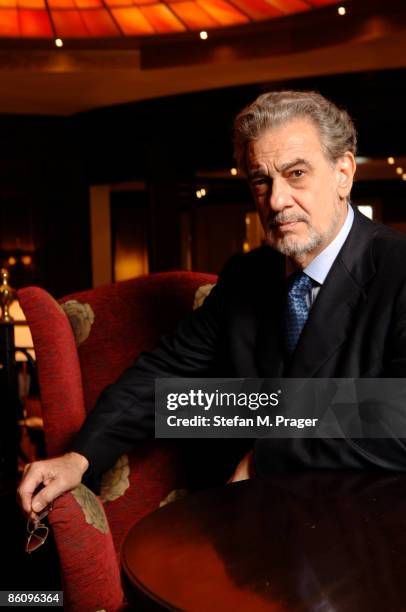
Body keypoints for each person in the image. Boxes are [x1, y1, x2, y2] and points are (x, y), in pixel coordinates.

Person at [18, 90, 406, 521]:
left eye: (296, 173)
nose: (276, 200)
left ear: (343, 173)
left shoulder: (399, 271)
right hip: (257, 527)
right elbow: (164, 374)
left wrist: (263, 457)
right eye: (261, 180)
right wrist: (80, 458)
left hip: (370, 533)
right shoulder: (248, 276)